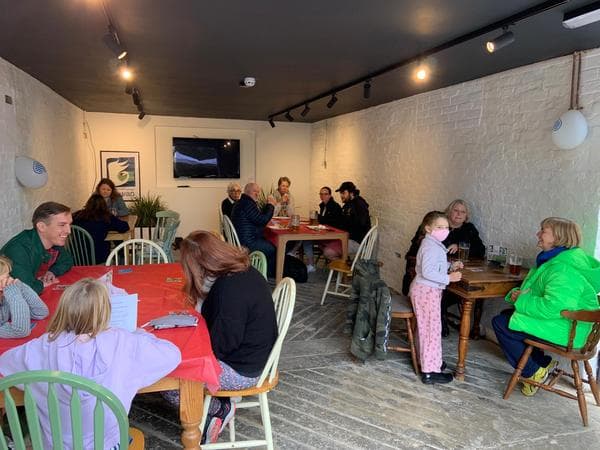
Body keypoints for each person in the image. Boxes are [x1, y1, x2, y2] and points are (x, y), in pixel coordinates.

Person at [0, 278, 181, 450]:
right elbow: (172, 355)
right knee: (127, 434)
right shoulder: (123, 342)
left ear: (63, 308)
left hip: (54, 445)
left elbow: (5, 363)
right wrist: (140, 334)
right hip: (107, 445)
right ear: (107, 312)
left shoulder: (43, 345)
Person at [178, 231, 277, 444]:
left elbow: (223, 345)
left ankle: (220, 408)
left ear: (200, 266)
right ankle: (218, 404)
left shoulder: (228, 290)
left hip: (245, 370)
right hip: (254, 354)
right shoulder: (241, 271)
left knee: (172, 380)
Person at [492, 217, 600, 396]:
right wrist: (518, 296)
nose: (538, 234)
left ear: (557, 237)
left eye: (543, 231)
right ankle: (542, 362)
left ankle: (533, 372)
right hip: (567, 324)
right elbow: (537, 291)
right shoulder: (555, 260)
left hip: (568, 330)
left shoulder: (563, 268)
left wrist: (521, 300)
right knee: (507, 315)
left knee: (501, 323)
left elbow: (553, 307)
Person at [402, 199, 485, 336]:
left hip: (447, 271)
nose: (459, 214)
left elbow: (481, 250)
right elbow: (421, 254)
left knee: (468, 290)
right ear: (448, 212)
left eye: (463, 212)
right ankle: (438, 323)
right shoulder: (435, 228)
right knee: (445, 291)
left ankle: (441, 323)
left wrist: (459, 246)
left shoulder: (468, 229)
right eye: (456, 210)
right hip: (431, 278)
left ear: (466, 216)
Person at [410, 211, 462, 384]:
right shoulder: (431, 245)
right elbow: (428, 271)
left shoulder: (432, 243)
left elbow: (434, 264)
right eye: (439, 227)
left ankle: (430, 361)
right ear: (428, 228)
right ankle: (430, 371)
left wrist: (449, 265)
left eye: (446, 227)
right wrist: (449, 278)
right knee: (431, 330)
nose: (444, 230)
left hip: (426, 290)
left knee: (427, 328)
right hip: (427, 291)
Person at [1, 202, 73, 294]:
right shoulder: (18, 250)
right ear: (42, 227)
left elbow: (67, 261)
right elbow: (27, 289)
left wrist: (52, 271)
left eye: (69, 224)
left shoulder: (53, 241)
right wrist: (41, 284)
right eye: (62, 225)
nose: (69, 231)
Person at [231, 182, 277, 277]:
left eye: (258, 192)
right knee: (274, 248)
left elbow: (258, 217)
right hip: (247, 243)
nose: (257, 194)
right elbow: (262, 220)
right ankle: (266, 273)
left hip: (241, 240)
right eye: (255, 191)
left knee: (268, 240)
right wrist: (271, 205)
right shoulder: (247, 204)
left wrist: (268, 206)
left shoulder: (243, 202)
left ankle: (260, 269)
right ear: (247, 192)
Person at [0, 256, 49, 338]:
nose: (8, 281)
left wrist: (21, 287)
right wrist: (13, 294)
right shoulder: (9, 293)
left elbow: (40, 312)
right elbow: (20, 331)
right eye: (1, 280)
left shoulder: (4, 295)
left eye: (7, 276)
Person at [73, 194, 130, 263]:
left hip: (77, 259)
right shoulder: (106, 217)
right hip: (99, 259)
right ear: (104, 205)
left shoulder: (77, 215)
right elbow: (124, 227)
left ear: (88, 204)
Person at [322, 181, 371, 260]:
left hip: (357, 242)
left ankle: (345, 267)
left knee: (328, 251)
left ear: (351, 193)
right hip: (347, 237)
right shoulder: (348, 205)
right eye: (341, 193)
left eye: (343, 193)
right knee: (323, 242)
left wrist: (345, 226)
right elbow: (342, 221)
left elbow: (361, 224)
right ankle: (345, 263)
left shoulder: (359, 204)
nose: (341, 195)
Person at [302, 186, 344, 272]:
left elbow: (330, 222)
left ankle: (311, 265)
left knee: (306, 240)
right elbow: (322, 220)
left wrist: (318, 218)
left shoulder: (334, 207)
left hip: (332, 235)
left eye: (325, 194)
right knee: (305, 238)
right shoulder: (323, 205)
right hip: (323, 233)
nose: (323, 196)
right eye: (321, 194)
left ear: (330, 195)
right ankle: (311, 265)